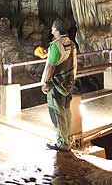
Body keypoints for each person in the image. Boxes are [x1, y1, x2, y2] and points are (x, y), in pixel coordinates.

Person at [40, 18, 77, 151]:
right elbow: (65, 58)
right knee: (66, 111)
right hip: (69, 83)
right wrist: (48, 54)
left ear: (56, 30)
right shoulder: (71, 43)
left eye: (52, 28)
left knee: (58, 113)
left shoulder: (55, 45)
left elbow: (51, 66)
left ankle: (63, 143)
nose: (51, 30)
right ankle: (67, 139)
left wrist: (45, 81)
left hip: (57, 84)